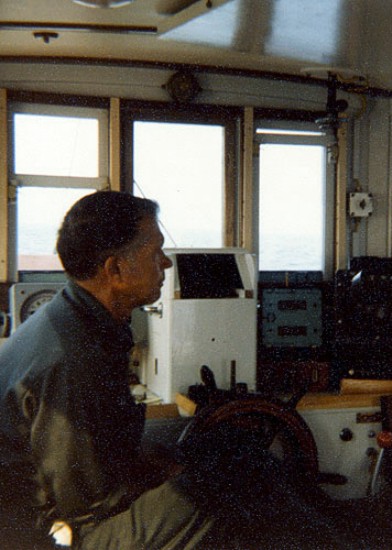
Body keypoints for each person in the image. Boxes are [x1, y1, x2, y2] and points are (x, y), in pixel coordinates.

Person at [0, 191, 356, 550]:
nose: (166, 264)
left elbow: (109, 452)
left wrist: (179, 465)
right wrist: (186, 478)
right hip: (58, 536)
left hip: (81, 511)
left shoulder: (80, 322)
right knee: (214, 491)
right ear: (115, 269)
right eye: (155, 252)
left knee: (235, 453)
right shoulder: (72, 359)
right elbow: (87, 503)